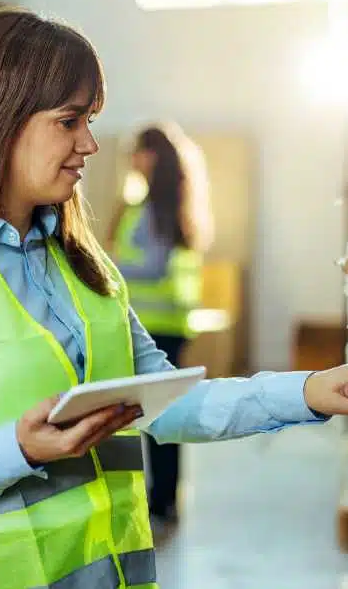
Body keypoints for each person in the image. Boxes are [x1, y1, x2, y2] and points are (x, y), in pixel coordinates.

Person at [0, 10, 348, 589]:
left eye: (90, 120)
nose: (89, 144)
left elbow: (172, 401)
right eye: (69, 121)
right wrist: (15, 449)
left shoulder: (83, 265)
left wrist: (309, 391)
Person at [105, 123, 212, 525]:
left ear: (152, 156)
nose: (132, 160)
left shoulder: (156, 208)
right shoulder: (165, 203)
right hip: (166, 322)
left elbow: (152, 266)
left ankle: (162, 498)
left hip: (155, 324)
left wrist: (104, 266)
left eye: (138, 152)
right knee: (160, 413)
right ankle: (162, 495)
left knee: (157, 415)